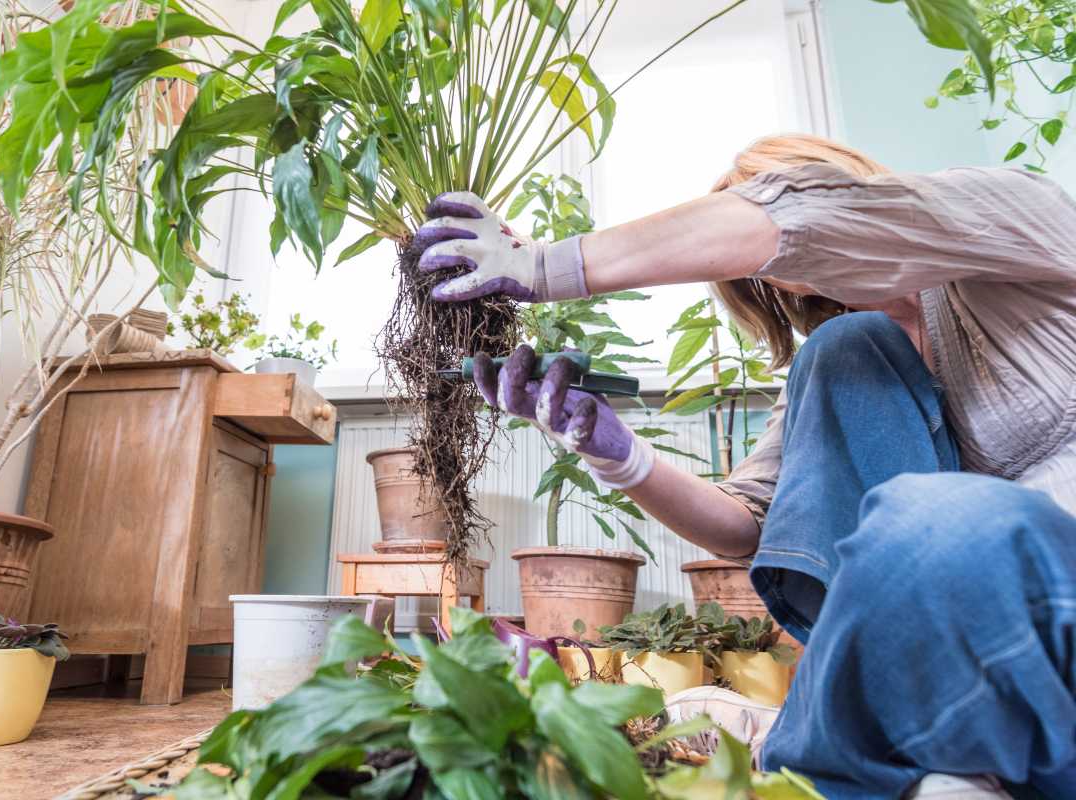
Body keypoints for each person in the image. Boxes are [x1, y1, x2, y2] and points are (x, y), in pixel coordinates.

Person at [412, 134, 1076, 799]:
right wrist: (614, 453)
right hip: (964, 633)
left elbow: (805, 215)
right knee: (849, 361)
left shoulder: (1011, 213)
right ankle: (913, 754)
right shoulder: (854, 363)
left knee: (946, 522)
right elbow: (753, 523)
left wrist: (547, 268)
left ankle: (835, 750)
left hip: (1044, 592)